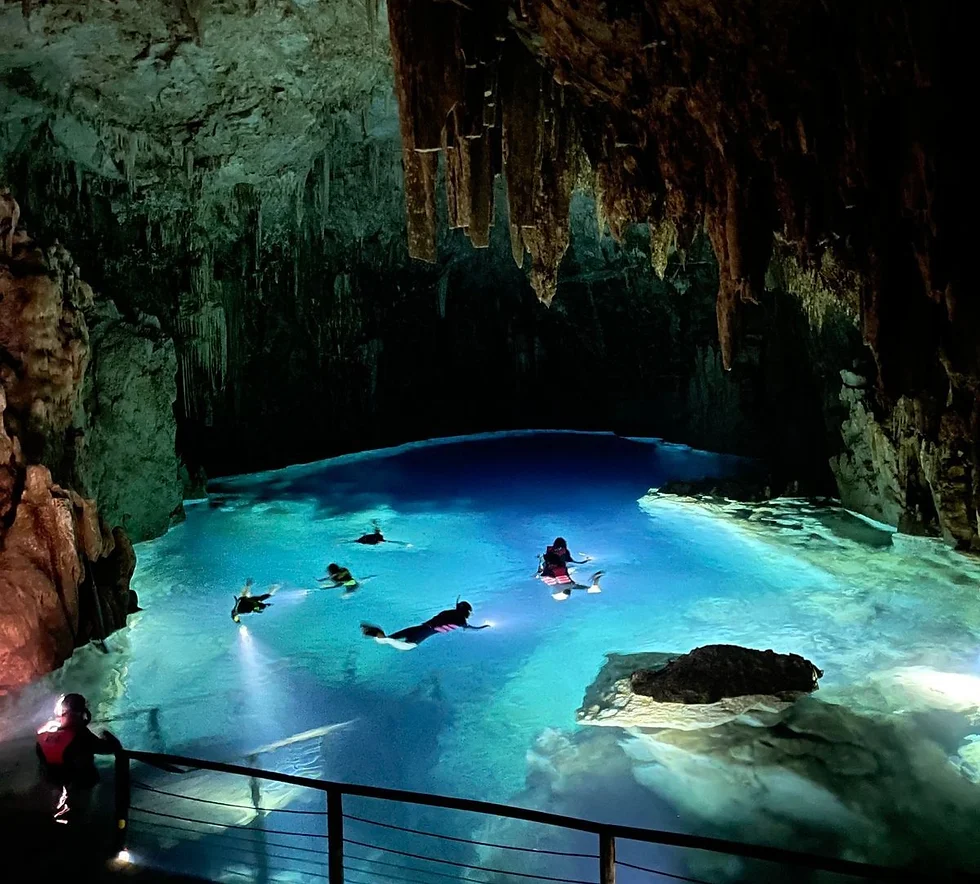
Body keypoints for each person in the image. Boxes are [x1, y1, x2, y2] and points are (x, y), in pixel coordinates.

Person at [36, 694, 121, 824]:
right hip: (80, 785)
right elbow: (109, 748)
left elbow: (42, 759)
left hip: (54, 783)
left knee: (56, 811)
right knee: (79, 816)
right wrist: (106, 733)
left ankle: (55, 830)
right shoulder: (81, 735)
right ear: (81, 713)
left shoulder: (45, 736)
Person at [361, 600, 491, 649]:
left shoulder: (448, 612)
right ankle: (378, 634)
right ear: (467, 612)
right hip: (421, 635)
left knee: (388, 639)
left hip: (419, 627)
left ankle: (376, 632)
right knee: (407, 645)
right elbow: (471, 628)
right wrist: (484, 627)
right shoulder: (461, 621)